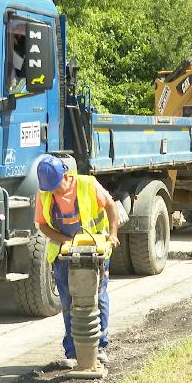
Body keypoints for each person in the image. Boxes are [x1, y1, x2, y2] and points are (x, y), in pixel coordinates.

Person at [34, 155, 120, 368]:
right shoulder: (44, 195)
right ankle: (73, 351)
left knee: (97, 298)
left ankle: (99, 347)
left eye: (57, 187)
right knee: (68, 302)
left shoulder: (87, 184)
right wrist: (67, 241)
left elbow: (110, 206)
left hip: (94, 250)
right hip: (64, 254)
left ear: (65, 174)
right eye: (51, 189)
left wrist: (113, 234)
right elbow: (43, 226)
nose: (55, 192)